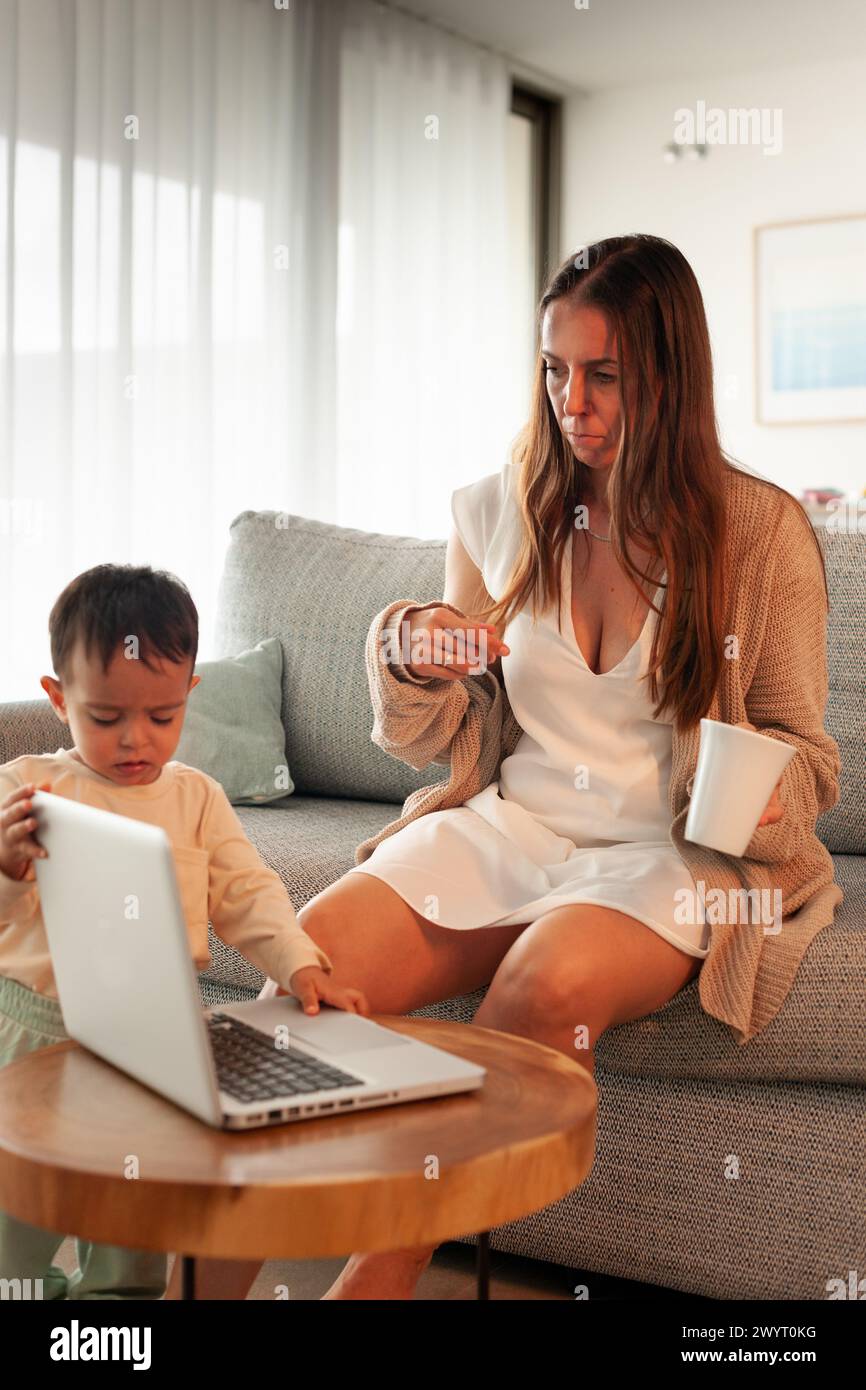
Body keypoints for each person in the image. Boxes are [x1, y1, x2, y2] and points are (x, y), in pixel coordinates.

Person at [179, 233, 842, 1300]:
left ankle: (374, 1282)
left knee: (548, 979)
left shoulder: (757, 534)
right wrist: (407, 647)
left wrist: (758, 786)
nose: (569, 401)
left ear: (668, 375)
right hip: (507, 826)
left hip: (664, 859)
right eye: (551, 368)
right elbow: (431, 734)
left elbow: (807, 756)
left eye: (602, 374)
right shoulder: (498, 508)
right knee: (299, 992)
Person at [0, 564, 369, 1300]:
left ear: (190, 696)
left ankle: (118, 1323)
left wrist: (300, 965)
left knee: (133, 1231)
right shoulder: (27, 787)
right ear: (57, 698)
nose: (136, 740)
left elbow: (249, 894)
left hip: (150, 1041)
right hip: (33, 1031)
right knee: (18, 1227)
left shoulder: (195, 797)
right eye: (105, 718)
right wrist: (8, 867)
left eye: (162, 717)